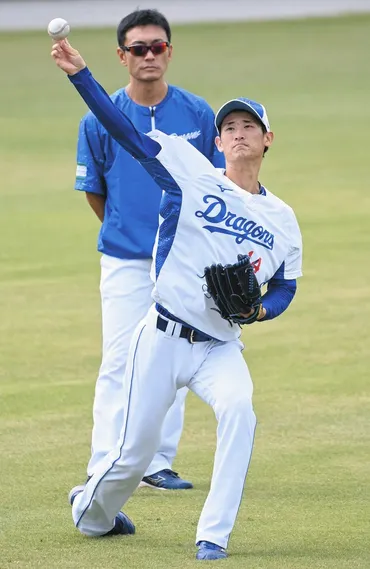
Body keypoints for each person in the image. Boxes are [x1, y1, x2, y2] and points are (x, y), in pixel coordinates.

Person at [51, 39, 303, 560]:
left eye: (248, 127)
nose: (238, 134)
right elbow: (123, 131)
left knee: (240, 411)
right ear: (217, 140)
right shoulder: (190, 175)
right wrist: (81, 77)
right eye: (229, 127)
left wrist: (259, 310)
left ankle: (214, 535)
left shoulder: (283, 219)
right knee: (132, 455)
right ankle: (92, 514)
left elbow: (286, 286)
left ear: (267, 139)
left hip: (219, 347)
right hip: (163, 336)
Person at [74, 9, 225, 491]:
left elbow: (215, 185)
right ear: (122, 56)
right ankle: (105, 461)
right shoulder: (98, 118)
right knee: (119, 359)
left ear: (169, 52)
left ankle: (156, 463)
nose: (148, 55)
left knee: (171, 358)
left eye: (157, 46)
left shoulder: (199, 113)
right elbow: (96, 191)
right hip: (124, 260)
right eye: (138, 48)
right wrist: (133, 232)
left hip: (181, 261)